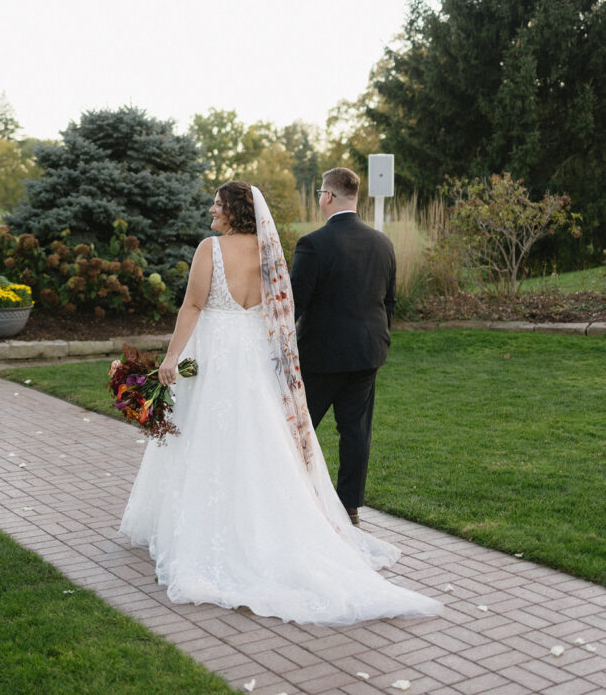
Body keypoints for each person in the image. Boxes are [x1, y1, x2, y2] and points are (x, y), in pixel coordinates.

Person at [119, 181, 440, 625]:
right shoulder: (269, 251)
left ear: (233, 211)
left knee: (205, 435)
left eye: (217, 204)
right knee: (259, 439)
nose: (211, 210)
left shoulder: (210, 248)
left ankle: (210, 533)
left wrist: (171, 357)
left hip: (215, 352)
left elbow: (192, 305)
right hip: (252, 355)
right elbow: (280, 311)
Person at [290, 167, 395, 527]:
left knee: (298, 428)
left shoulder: (313, 244)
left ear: (329, 196)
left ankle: (291, 497)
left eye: (321, 192)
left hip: (320, 357)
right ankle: (349, 506)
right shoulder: (383, 243)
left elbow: (294, 305)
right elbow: (389, 302)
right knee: (355, 430)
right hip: (368, 353)